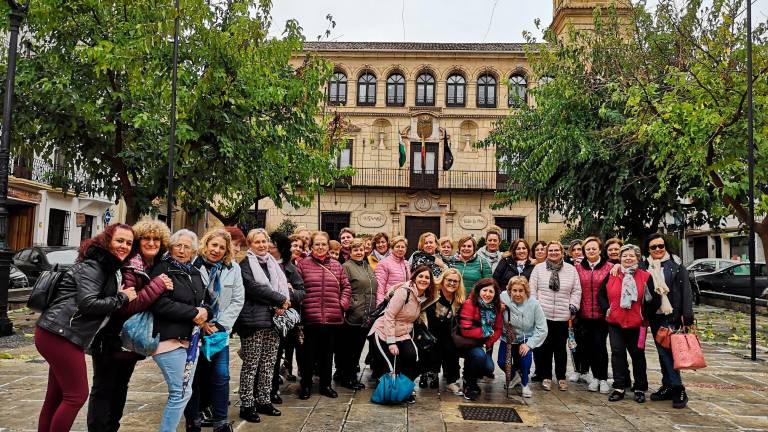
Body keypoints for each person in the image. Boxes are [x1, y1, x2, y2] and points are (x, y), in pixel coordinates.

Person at [36, 224, 138, 432]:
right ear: (107, 240)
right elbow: (88, 303)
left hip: (54, 332)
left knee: (55, 397)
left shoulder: (105, 266)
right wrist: (122, 297)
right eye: (119, 241)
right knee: (76, 396)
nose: (124, 246)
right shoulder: (96, 266)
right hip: (60, 334)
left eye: (129, 243)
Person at [87, 220, 172, 432]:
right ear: (139, 241)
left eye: (156, 239)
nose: (152, 242)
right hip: (111, 337)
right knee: (104, 388)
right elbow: (127, 306)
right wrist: (158, 286)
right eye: (146, 238)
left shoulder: (152, 266)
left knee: (120, 387)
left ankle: (111, 428)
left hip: (129, 340)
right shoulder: (130, 265)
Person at [150, 229, 212, 432]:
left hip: (191, 342)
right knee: (180, 392)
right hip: (168, 340)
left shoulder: (194, 272)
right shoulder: (162, 269)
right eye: (178, 246)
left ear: (194, 251)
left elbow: (206, 303)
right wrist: (193, 312)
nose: (182, 250)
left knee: (184, 392)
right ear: (171, 247)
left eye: (187, 247)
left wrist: (205, 312)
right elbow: (160, 304)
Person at [184, 229, 245, 432]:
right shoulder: (192, 264)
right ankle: (194, 420)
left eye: (222, 247)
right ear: (206, 244)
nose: (217, 250)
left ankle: (220, 421)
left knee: (221, 376)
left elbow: (238, 299)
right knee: (194, 377)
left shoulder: (232, 268)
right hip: (194, 329)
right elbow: (187, 298)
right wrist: (201, 324)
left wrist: (219, 325)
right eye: (214, 245)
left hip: (219, 331)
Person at [235, 229, 291, 423]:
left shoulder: (273, 264)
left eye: (264, 241)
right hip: (252, 321)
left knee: (268, 363)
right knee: (251, 364)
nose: (261, 245)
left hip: (273, 321)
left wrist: (283, 303)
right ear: (250, 245)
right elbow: (253, 288)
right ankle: (247, 404)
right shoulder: (245, 264)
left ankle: (264, 400)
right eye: (256, 242)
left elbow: (283, 286)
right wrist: (280, 299)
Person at [599, 244, 660, 403]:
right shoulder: (612, 274)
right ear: (619, 258)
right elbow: (601, 293)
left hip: (637, 324)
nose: (628, 258)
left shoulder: (645, 277)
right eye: (624, 256)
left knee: (637, 355)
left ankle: (640, 387)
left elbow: (654, 299)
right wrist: (608, 309)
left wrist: (644, 315)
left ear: (638, 258)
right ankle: (619, 386)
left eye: (631, 256)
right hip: (615, 322)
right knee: (617, 353)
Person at [368, 265, 438, 404]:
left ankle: (402, 389)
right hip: (384, 331)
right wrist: (391, 342)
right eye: (421, 276)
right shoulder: (404, 292)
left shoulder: (424, 296)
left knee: (413, 356)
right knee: (393, 364)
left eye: (427, 277)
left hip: (403, 332)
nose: (424, 280)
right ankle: (390, 393)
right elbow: (389, 315)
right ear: (414, 277)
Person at [296, 231, 352, 400]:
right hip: (309, 317)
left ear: (329, 246)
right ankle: (305, 385)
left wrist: (341, 304)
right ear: (311, 246)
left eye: (323, 244)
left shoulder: (337, 265)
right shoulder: (303, 265)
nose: (320, 247)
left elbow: (346, 288)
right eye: (317, 244)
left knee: (327, 355)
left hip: (331, 318)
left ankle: (325, 385)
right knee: (308, 355)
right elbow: (298, 289)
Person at [644, 233, 694, 409]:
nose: (658, 249)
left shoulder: (676, 264)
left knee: (668, 352)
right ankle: (668, 385)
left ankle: (678, 388)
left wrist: (687, 315)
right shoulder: (644, 265)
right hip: (654, 315)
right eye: (653, 247)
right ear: (648, 249)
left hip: (672, 314)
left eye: (661, 246)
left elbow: (686, 290)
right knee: (662, 351)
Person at [529, 241, 582, 391]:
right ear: (547, 252)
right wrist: (535, 307)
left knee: (560, 348)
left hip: (563, 315)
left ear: (562, 252)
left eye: (556, 250)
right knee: (545, 348)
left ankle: (561, 376)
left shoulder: (571, 270)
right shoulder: (538, 269)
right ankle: (546, 376)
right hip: (543, 314)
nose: (553, 253)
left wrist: (573, 307)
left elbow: (576, 290)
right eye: (550, 250)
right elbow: (532, 289)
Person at [267, 231, 305, 402]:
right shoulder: (259, 264)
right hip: (263, 316)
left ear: (280, 248)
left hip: (281, 321)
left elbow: (301, 293)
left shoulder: (290, 268)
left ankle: (273, 389)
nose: (267, 246)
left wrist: (289, 293)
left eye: (271, 244)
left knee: (275, 356)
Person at [572, 236, 612, 393]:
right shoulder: (578, 269)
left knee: (600, 346)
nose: (591, 251)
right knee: (586, 347)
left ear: (600, 250)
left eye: (594, 248)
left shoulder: (609, 267)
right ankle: (594, 377)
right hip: (583, 315)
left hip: (602, 316)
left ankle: (603, 378)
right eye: (587, 249)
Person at [338, 238, 378, 390]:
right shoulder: (346, 267)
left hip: (366, 315)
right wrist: (351, 305)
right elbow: (343, 289)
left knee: (358, 349)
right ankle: (347, 378)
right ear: (350, 252)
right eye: (355, 250)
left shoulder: (367, 266)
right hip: (353, 315)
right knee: (349, 350)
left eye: (361, 250)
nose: (359, 252)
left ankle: (350, 377)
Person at [499, 276, 548, 398]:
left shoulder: (534, 304)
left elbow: (542, 328)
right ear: (509, 291)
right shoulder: (503, 297)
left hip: (526, 337)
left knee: (525, 358)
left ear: (526, 291)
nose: (517, 294)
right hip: (508, 337)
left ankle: (525, 384)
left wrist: (529, 344)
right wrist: (498, 309)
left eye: (521, 290)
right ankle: (515, 376)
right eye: (514, 290)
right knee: (501, 362)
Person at [421, 268, 466, 394]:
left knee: (451, 349)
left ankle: (452, 381)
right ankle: (429, 373)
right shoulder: (433, 293)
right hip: (429, 332)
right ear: (443, 279)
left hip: (448, 333)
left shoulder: (458, 299)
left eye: (455, 281)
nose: (452, 283)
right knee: (431, 349)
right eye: (449, 280)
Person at [457, 278, 503, 401]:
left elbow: (498, 328)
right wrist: (484, 334)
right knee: (479, 356)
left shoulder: (496, 307)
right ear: (478, 290)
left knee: (488, 368)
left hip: (483, 343)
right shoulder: (470, 304)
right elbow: (465, 330)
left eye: (491, 291)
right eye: (484, 290)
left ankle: (472, 371)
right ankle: (469, 383)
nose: (487, 294)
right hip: (468, 342)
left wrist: (487, 342)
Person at [374, 236, 411, 304]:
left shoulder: (406, 263)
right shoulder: (384, 263)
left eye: (403, 247)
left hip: (402, 302)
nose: (400, 249)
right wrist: (380, 306)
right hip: (389, 302)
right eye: (397, 246)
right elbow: (379, 288)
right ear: (392, 248)